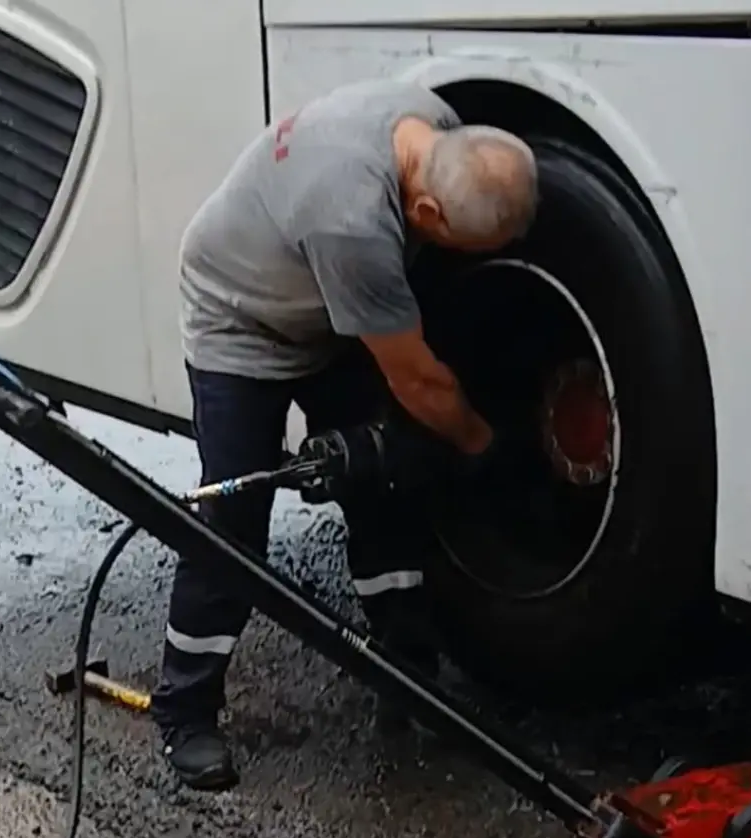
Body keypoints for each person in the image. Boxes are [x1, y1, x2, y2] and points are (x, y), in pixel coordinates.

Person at [151, 77, 539, 791]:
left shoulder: (431, 123)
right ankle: (184, 708)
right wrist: (486, 447)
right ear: (424, 209)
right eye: (457, 239)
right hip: (242, 322)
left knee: (383, 482)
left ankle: (408, 673)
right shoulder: (353, 223)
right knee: (232, 522)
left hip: (324, 311)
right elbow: (420, 382)